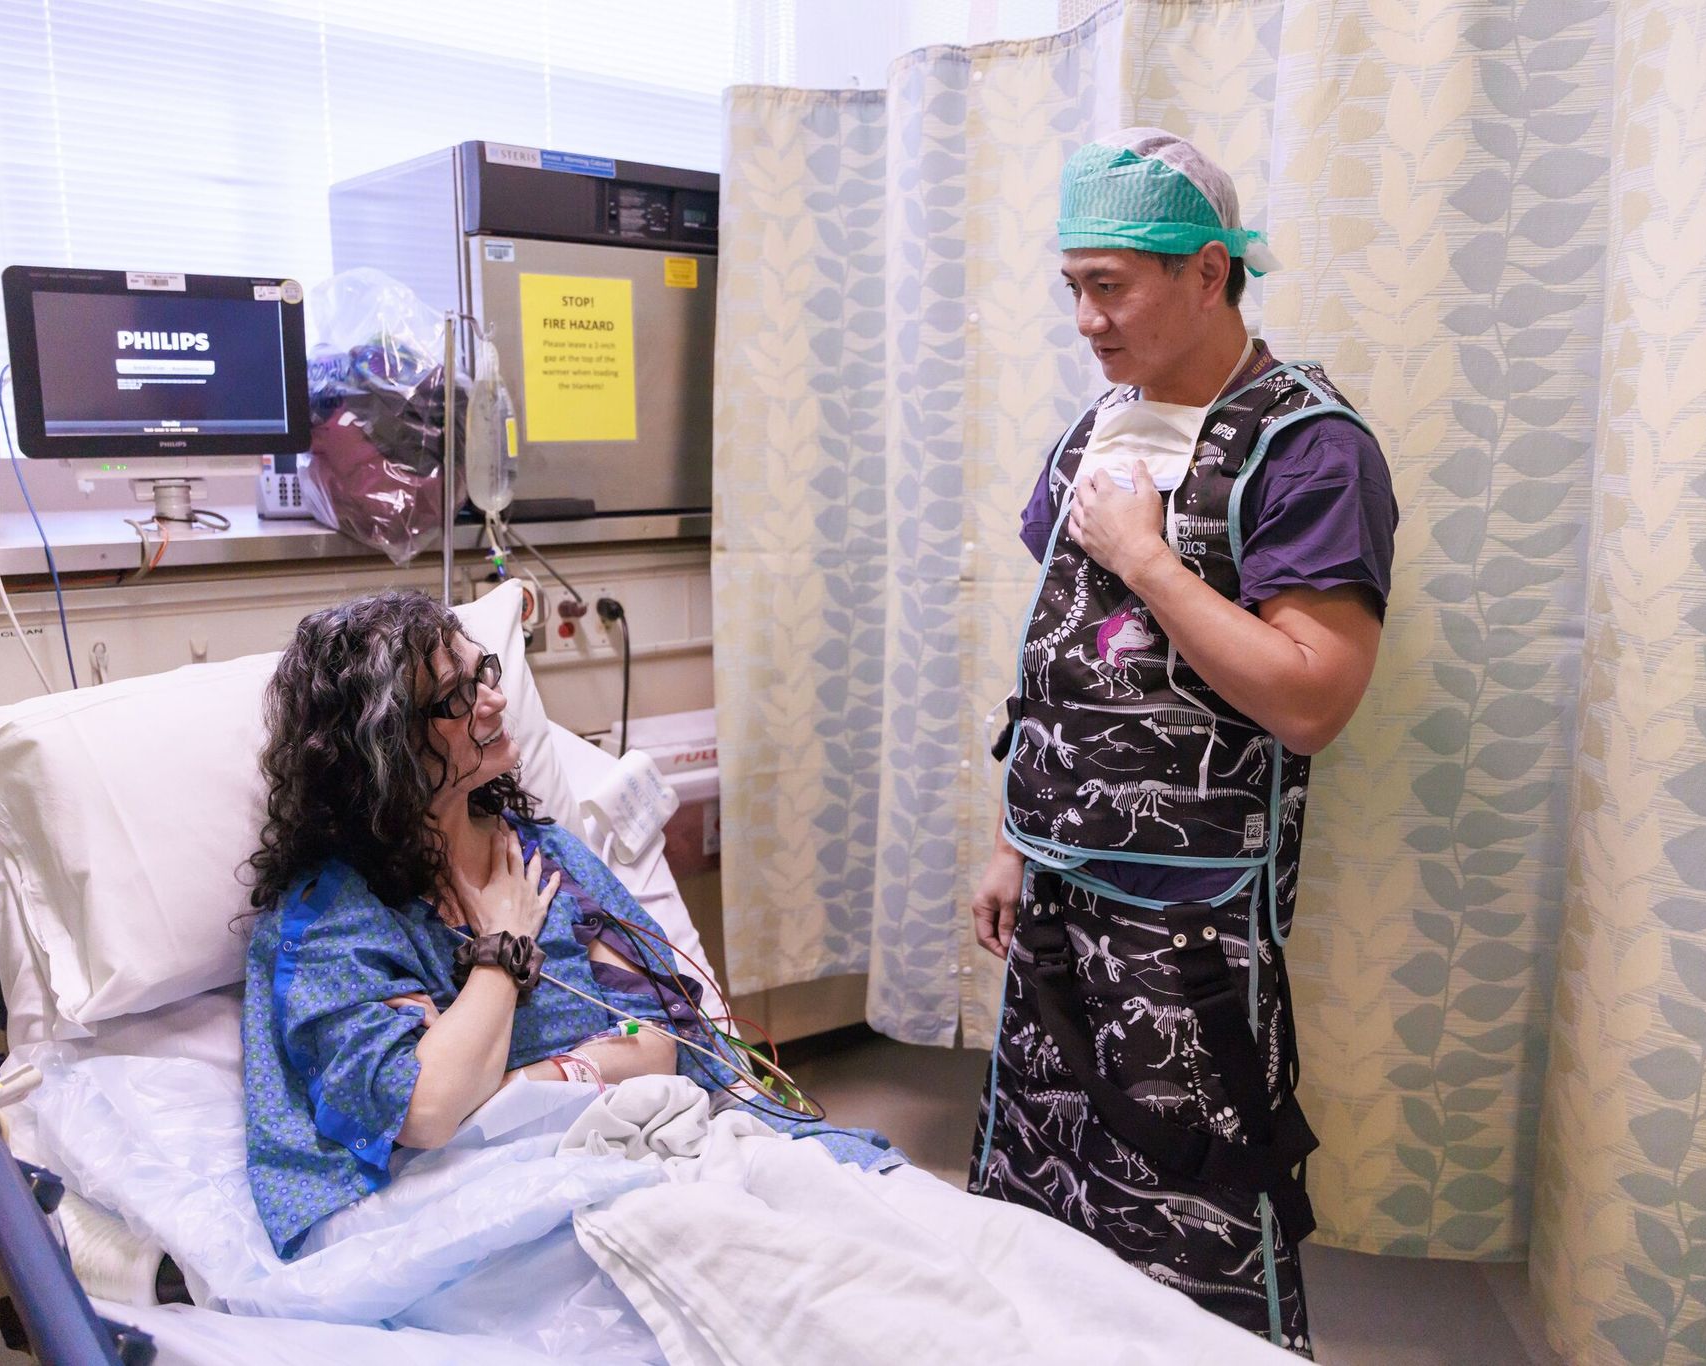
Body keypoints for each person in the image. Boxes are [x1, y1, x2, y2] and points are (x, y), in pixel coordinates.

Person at [969, 129, 1398, 1357]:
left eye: (1111, 284)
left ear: (1208, 273)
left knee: (1190, 1218)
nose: (1087, 319)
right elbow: (1063, 652)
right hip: (1055, 891)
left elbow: (1311, 698)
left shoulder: (1307, 449)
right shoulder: (1091, 436)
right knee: (1041, 1192)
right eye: (1073, 287)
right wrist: (1013, 833)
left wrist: (1148, 557)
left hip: (1190, 925)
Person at [239, 589, 896, 1258]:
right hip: (471, 1216)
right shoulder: (333, 923)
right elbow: (428, 1108)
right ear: (384, 746)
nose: (493, 702)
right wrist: (504, 952)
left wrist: (503, 1085)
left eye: (484, 673)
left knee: (859, 1224)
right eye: (455, 698)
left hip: (638, 1156)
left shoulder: (547, 861)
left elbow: (662, 1041)